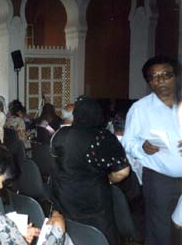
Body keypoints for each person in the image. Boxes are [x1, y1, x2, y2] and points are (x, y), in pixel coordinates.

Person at [51, 96, 130, 245]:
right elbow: (123, 172)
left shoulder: (61, 134)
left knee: (73, 231)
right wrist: (109, 179)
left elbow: (55, 160)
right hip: (94, 198)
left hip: (65, 194)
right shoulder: (104, 137)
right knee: (100, 236)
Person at [122, 56, 182, 244]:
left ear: (176, 76)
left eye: (166, 74)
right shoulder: (140, 109)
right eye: (154, 77)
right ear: (149, 82)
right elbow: (127, 142)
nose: (160, 80)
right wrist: (142, 147)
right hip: (160, 180)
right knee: (160, 229)